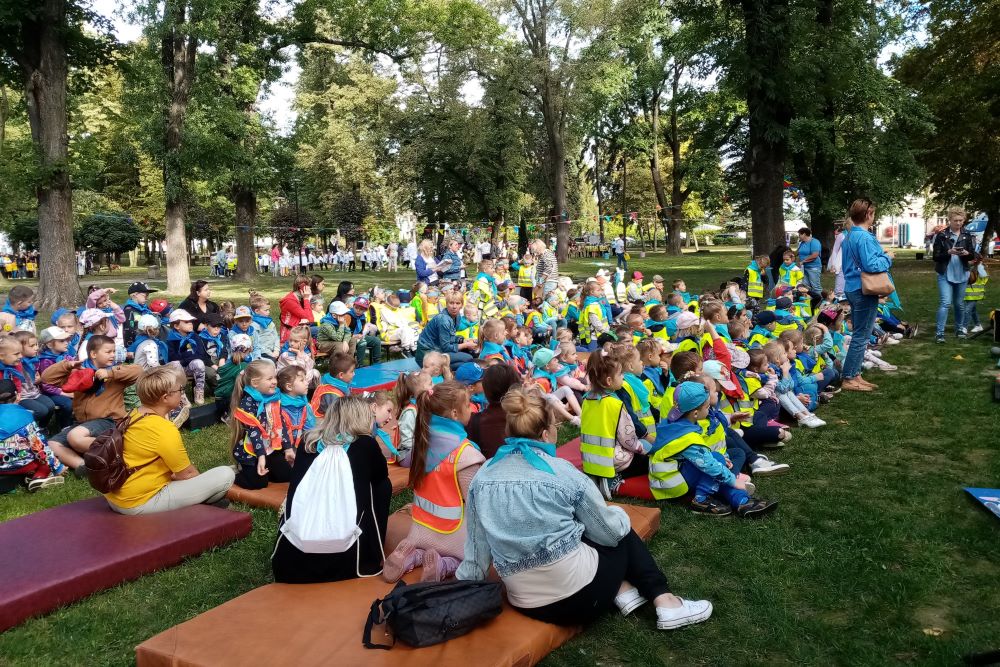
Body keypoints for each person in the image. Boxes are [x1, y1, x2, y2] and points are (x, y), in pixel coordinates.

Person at [456, 386, 713, 630]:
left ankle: (623, 591)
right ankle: (666, 602)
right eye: (555, 426)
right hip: (582, 597)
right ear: (545, 434)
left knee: (577, 527)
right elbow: (610, 533)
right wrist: (620, 515)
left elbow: (477, 550)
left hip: (528, 604)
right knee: (619, 531)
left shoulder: (483, 476)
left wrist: (462, 590)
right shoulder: (562, 472)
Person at [271, 395, 392, 583]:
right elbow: (381, 474)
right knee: (382, 485)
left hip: (292, 562)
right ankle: (370, 547)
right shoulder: (365, 444)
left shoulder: (308, 442)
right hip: (348, 561)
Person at [382, 380, 485, 583]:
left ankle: (413, 554)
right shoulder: (465, 454)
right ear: (454, 413)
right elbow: (476, 504)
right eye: (467, 405)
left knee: (424, 544)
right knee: (474, 556)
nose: (470, 409)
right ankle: (444, 565)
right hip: (453, 533)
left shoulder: (421, 442)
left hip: (421, 527)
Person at [104, 367, 235, 515]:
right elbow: (186, 474)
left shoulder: (132, 414)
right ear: (165, 398)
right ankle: (203, 501)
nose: (182, 393)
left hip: (116, 497)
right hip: (139, 502)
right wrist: (202, 486)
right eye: (180, 389)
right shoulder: (163, 429)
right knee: (225, 475)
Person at [40, 334, 142, 475]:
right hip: (82, 424)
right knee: (51, 445)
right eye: (108, 352)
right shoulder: (78, 373)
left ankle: (123, 449)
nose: (113, 355)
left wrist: (110, 373)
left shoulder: (115, 373)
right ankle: (84, 466)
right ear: (93, 354)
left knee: (75, 437)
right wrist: (67, 365)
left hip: (109, 421)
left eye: (113, 351)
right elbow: (46, 378)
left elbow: (139, 371)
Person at [840, 199, 894, 391]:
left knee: (860, 334)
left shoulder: (849, 236)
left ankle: (855, 375)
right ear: (868, 214)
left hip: (853, 287)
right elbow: (871, 265)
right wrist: (888, 257)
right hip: (863, 289)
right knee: (861, 336)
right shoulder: (864, 237)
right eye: (873, 213)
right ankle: (849, 378)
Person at [0, 378, 65, 492]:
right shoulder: (25, 416)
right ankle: (39, 475)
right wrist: (58, 467)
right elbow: (39, 446)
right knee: (40, 456)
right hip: (19, 465)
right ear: (18, 395)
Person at [932, 206, 978, 342]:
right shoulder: (941, 235)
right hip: (945, 273)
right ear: (950, 220)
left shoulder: (967, 235)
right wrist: (948, 252)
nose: (958, 223)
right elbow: (935, 256)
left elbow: (972, 255)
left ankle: (959, 329)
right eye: (955, 220)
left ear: (964, 220)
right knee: (945, 303)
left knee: (959, 304)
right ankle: (940, 333)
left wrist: (967, 254)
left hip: (962, 273)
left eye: (961, 220)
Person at [466, 363, 521, 459]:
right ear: (517, 389)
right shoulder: (527, 417)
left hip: (488, 467)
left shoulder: (474, 422)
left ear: (486, 391)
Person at [415, 291, 478, 368]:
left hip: (437, 349)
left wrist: (463, 340)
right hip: (426, 355)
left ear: (462, 305)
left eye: (458, 303)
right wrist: (466, 345)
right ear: (446, 304)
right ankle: (437, 369)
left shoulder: (457, 316)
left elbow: (449, 337)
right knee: (468, 358)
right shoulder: (444, 320)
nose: (454, 306)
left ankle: (442, 368)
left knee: (467, 354)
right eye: (451, 303)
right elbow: (446, 347)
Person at [278, 275, 315, 341]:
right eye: (309, 286)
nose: (310, 288)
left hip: (299, 329)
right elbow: (309, 318)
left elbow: (311, 319)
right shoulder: (290, 301)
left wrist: (305, 299)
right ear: (303, 287)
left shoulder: (299, 298)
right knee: (319, 330)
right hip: (290, 335)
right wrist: (306, 299)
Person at [797, 227, 823, 295]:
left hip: (814, 267)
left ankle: (819, 299)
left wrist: (803, 261)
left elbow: (815, 255)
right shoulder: (802, 243)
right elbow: (798, 253)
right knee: (806, 286)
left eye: (799, 234)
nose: (798, 236)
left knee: (815, 286)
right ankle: (810, 299)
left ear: (804, 234)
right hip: (804, 268)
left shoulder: (814, 242)